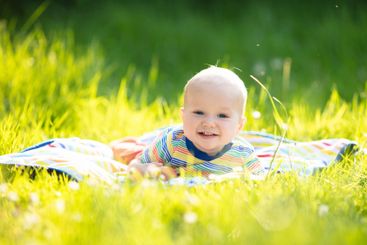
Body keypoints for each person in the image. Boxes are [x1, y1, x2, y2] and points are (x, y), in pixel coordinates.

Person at [111, 66, 265, 180]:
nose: (209, 123)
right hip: (154, 152)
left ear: (239, 125)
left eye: (222, 115)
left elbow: (261, 179)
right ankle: (124, 144)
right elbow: (136, 164)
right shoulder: (171, 142)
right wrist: (143, 169)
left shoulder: (243, 154)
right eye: (199, 112)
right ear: (183, 117)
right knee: (128, 153)